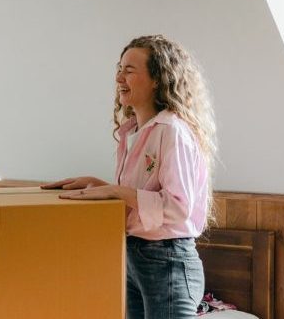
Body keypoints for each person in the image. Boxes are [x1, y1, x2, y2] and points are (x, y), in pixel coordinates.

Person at [42, 35, 216, 318]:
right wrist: (99, 186)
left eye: (129, 70)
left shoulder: (172, 131)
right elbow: (140, 196)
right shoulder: (132, 132)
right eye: (119, 69)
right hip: (135, 256)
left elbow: (178, 207)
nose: (119, 77)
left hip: (167, 259)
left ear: (157, 78)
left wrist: (117, 192)